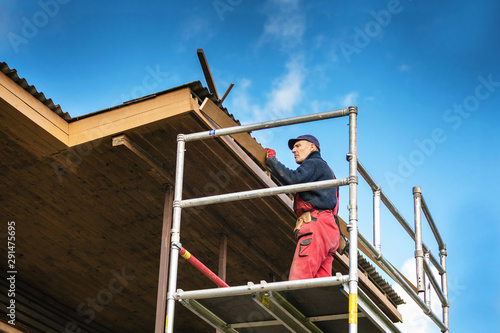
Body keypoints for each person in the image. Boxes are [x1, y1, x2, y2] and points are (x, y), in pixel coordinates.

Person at [265, 135, 340, 280]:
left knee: (299, 280)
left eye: (298, 145)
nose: (294, 150)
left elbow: (292, 179)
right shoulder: (328, 172)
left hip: (317, 226)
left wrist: (272, 161)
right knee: (320, 286)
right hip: (330, 230)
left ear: (312, 147)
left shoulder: (314, 163)